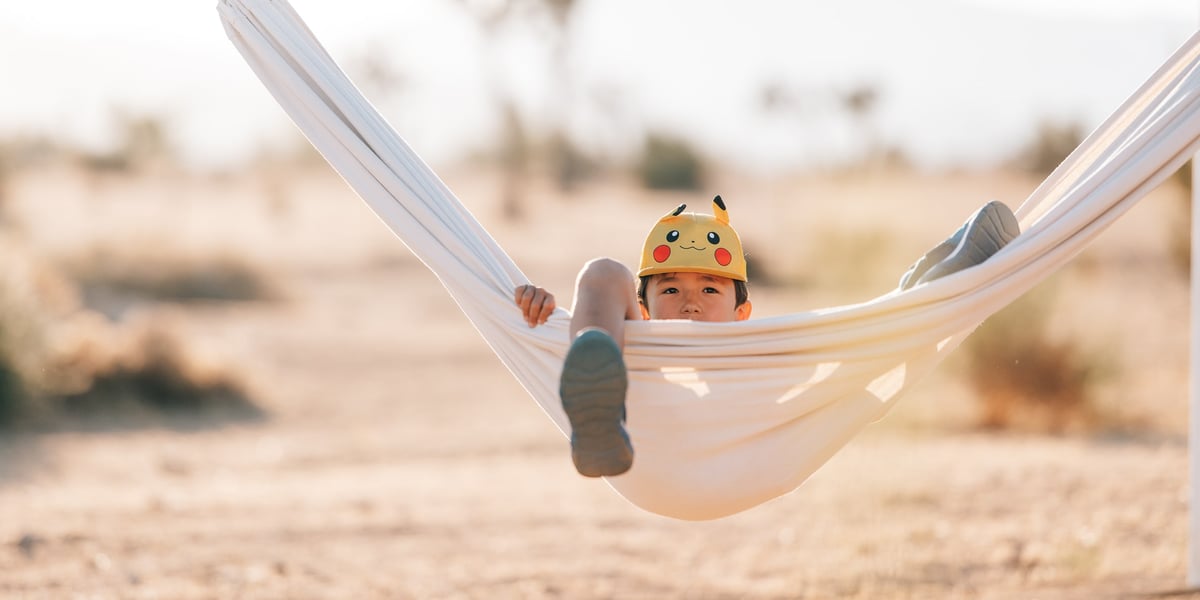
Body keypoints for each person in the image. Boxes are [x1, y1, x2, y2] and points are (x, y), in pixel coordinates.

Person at [514, 196, 1019, 479]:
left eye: (709, 288)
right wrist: (545, 313)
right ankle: (595, 405)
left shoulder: (757, 360)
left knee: (874, 344)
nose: (689, 301)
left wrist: (898, 341)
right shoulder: (638, 340)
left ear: (742, 314)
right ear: (642, 311)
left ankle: (924, 295)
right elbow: (605, 298)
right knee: (602, 272)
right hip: (632, 438)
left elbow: (848, 381)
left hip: (749, 454)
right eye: (670, 288)